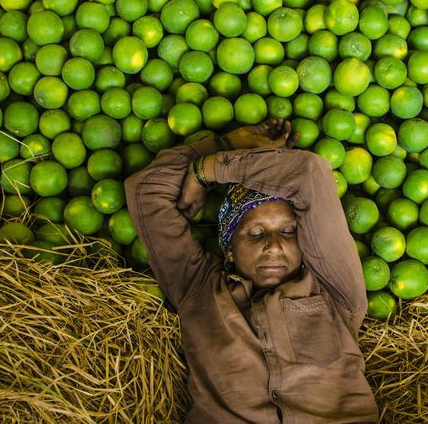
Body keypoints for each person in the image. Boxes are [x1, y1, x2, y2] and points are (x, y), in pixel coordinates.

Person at [124, 118, 379, 423]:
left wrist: (208, 169)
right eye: (257, 234)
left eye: (287, 232)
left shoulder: (334, 288)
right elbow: (145, 189)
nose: (274, 246)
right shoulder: (197, 287)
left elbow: (310, 173)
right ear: (229, 249)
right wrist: (228, 142)